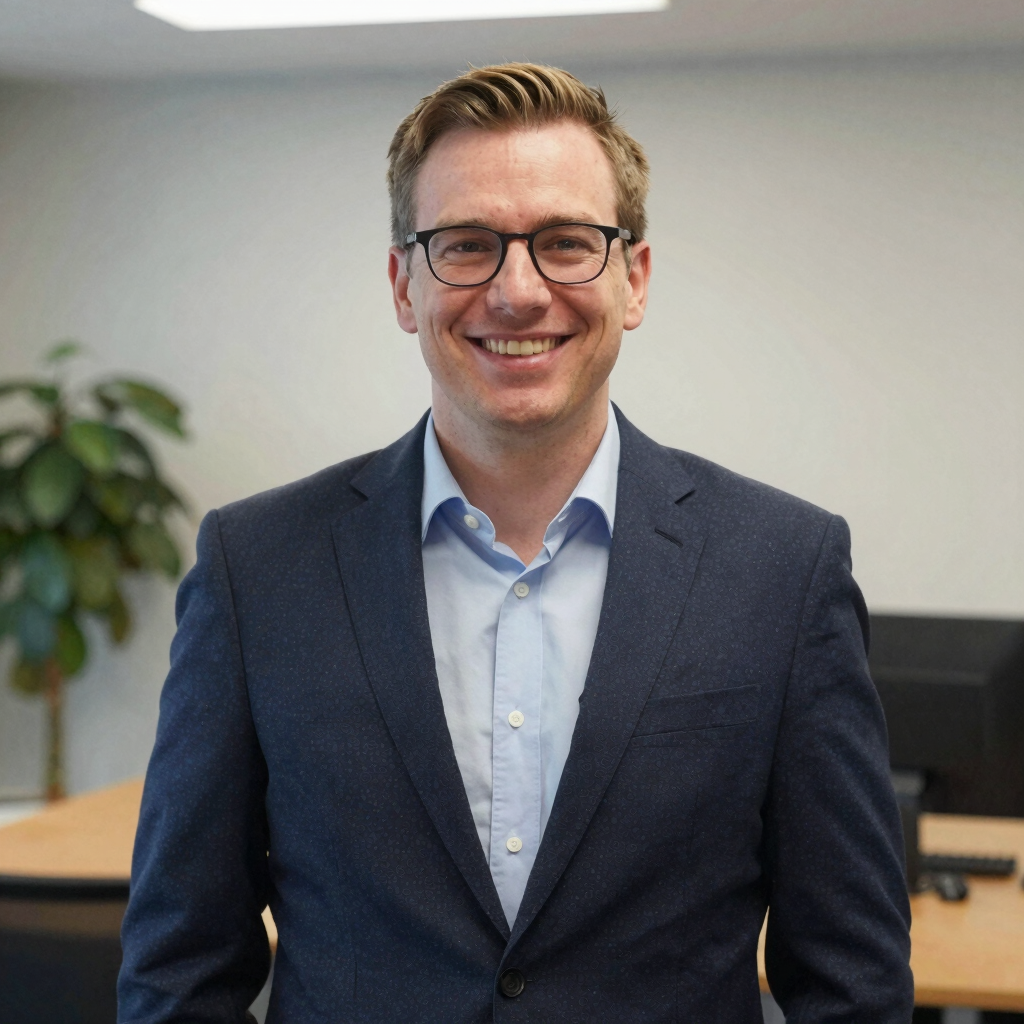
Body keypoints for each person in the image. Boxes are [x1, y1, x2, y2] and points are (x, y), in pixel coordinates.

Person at [118, 63, 913, 1023]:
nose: (519, 290)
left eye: (568, 243)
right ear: (404, 285)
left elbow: (853, 983)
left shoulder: (783, 571)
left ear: (635, 280)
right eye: (466, 245)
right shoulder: (258, 570)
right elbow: (179, 969)